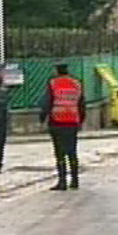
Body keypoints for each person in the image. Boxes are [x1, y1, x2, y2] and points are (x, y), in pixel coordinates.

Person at [39, 62, 86, 191]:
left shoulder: (53, 83)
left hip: (57, 121)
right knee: (72, 151)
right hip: (72, 121)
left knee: (59, 152)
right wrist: (81, 120)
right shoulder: (77, 83)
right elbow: (82, 103)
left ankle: (62, 181)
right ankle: (75, 181)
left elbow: (48, 102)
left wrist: (42, 118)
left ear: (57, 71)